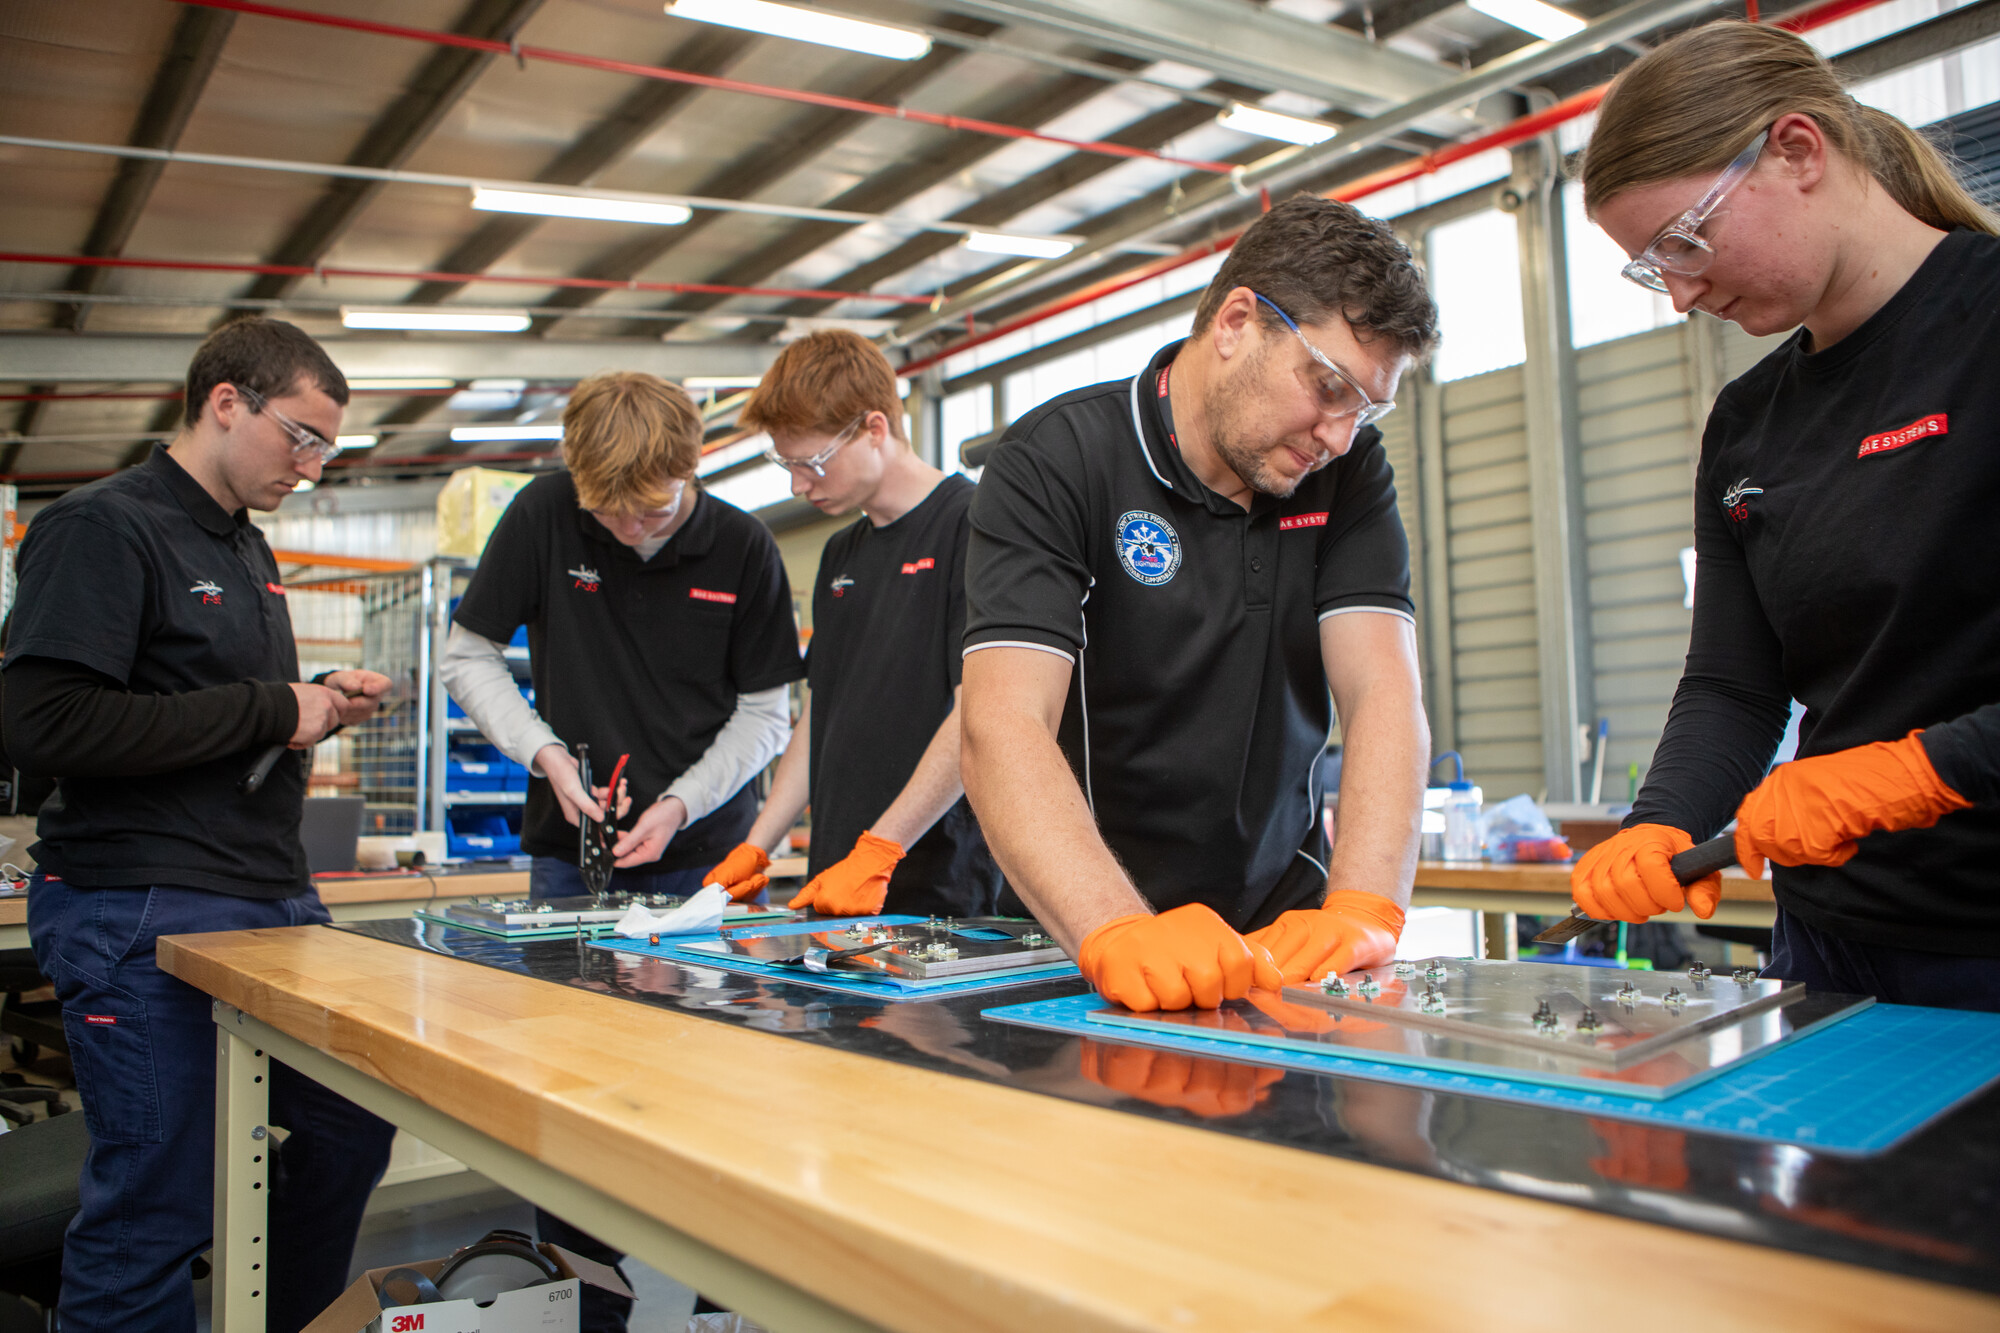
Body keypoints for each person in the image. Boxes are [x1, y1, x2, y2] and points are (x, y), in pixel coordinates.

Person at [1570, 21, 2000, 1009]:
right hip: (1830, 943)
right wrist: (1662, 819)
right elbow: (1732, 682)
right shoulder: (1744, 423)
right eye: (1649, 267)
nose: (1677, 294)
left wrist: (1914, 772)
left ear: (1794, 150)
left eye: (1682, 241)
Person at [3, 317, 397, 1332]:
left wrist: (313, 696)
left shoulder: (246, 547)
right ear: (226, 400)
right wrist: (276, 709)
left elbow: (204, 705)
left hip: (268, 893)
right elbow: (43, 723)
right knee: (155, 1204)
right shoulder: (103, 527)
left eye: (327, 449)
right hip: (142, 901)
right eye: (299, 437)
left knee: (348, 1124)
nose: (310, 467)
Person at [959, 194, 1439, 1013]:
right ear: (1236, 322)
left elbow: (1383, 689)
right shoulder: (1059, 460)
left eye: (1366, 408)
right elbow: (1000, 723)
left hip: (1278, 939)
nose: (1337, 435)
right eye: (1327, 387)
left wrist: (1364, 903)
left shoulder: (1347, 474)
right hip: (1084, 934)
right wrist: (1112, 925)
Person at [440, 370, 802, 1332]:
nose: (630, 531)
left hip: (708, 867)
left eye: (650, 510)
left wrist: (682, 804)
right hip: (572, 860)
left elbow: (769, 711)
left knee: (720, 1094)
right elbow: (467, 652)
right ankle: (585, 1309)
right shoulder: (549, 513)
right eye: (609, 514)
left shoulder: (743, 544)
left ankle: (721, 1312)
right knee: (567, 1099)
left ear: (691, 468)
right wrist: (543, 753)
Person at [702, 331, 1007, 919]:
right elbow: (822, 714)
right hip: (835, 880)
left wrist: (882, 850)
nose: (797, 485)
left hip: (936, 884)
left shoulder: (975, 528)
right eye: (785, 465)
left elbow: (979, 714)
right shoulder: (840, 553)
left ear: (874, 429)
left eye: (812, 462)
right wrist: (756, 845)